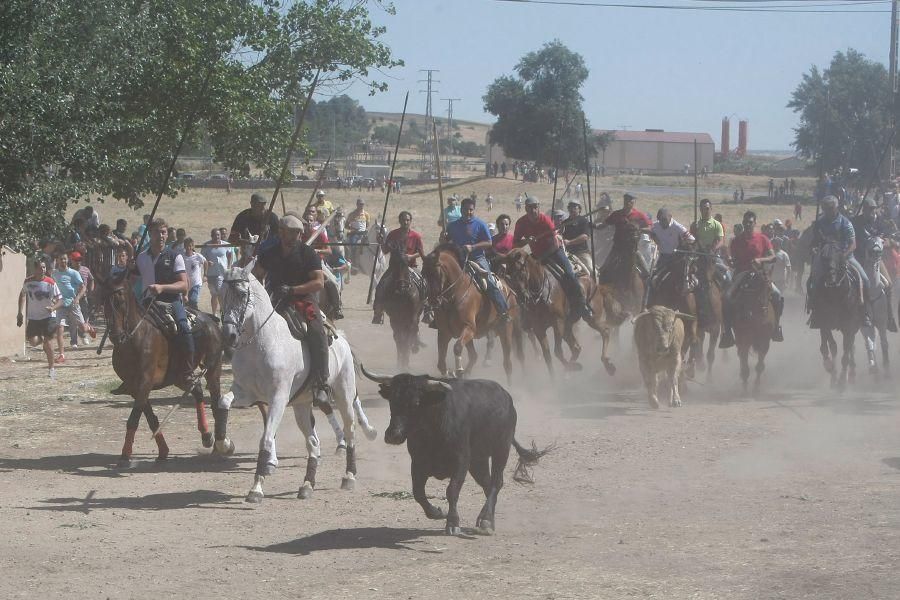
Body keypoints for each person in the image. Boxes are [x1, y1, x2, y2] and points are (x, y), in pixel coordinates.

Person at [254, 213, 330, 406]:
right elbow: (256, 276)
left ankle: (321, 384)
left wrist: (293, 290)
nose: (297, 236)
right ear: (281, 232)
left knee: (316, 331)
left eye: (298, 233)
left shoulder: (308, 254)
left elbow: (319, 282)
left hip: (303, 300)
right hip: (273, 300)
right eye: (292, 232)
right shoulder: (269, 253)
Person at [136, 218, 195, 384]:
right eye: (156, 232)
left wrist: (162, 288)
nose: (160, 236)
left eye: (163, 232)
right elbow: (132, 278)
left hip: (171, 301)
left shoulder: (175, 256)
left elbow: (184, 284)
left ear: (167, 234)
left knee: (184, 328)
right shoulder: (141, 258)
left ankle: (188, 371)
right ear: (150, 234)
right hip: (147, 302)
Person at [514, 196, 592, 321]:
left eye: (535, 207)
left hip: (554, 252)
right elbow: (516, 243)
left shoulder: (545, 220)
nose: (533, 210)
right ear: (525, 208)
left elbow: (555, 243)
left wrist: (545, 256)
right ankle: (525, 313)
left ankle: (582, 305)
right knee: (522, 277)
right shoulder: (521, 223)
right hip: (537, 255)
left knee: (569, 274)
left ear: (538, 207)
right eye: (530, 208)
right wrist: (526, 241)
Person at [719, 210, 784, 348]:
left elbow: (773, 257)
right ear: (743, 223)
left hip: (760, 274)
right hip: (742, 274)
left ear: (755, 223)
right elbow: (734, 261)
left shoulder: (763, 239)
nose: (748, 224)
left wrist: (761, 260)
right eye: (746, 222)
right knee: (726, 297)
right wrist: (729, 261)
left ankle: (776, 327)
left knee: (778, 296)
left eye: (750, 222)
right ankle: (728, 333)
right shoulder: (736, 241)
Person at [808, 195, 869, 327]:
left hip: (846, 257)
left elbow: (853, 244)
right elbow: (814, 242)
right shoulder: (819, 223)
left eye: (830, 208)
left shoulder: (845, 223)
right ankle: (814, 310)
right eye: (825, 208)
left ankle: (865, 313)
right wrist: (813, 249)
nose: (828, 211)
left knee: (864, 279)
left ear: (836, 207)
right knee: (812, 280)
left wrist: (843, 255)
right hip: (825, 258)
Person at [446, 197, 510, 320]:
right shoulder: (453, 226)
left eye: (471, 210)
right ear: (461, 210)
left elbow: (489, 242)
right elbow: (447, 241)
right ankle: (435, 315)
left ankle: (503, 311)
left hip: (477, 259)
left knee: (490, 282)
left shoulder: (480, 224)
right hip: (458, 260)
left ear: (474, 209)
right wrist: (443, 238)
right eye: (465, 210)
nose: (468, 212)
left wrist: (473, 247)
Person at [852, 198, 898, 331]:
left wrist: (883, 241)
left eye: (873, 209)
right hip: (859, 258)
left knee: (888, 285)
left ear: (876, 209)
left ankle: (889, 316)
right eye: (868, 209)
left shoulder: (882, 223)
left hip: (876, 260)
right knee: (850, 283)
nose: (870, 212)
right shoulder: (856, 222)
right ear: (864, 210)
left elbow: (890, 240)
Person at [372, 211, 426, 325]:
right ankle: (378, 312)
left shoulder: (416, 236)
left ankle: (428, 310)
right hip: (394, 268)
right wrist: (381, 242)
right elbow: (386, 250)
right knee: (381, 285)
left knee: (424, 284)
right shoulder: (393, 234)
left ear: (410, 221)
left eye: (407, 220)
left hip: (411, 267)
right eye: (403, 220)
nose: (405, 222)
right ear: (400, 221)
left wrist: (411, 256)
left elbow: (421, 253)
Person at [18, 258, 64, 377]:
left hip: (48, 317)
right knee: (32, 342)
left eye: (44, 267)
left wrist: (53, 308)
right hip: (33, 317)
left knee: (49, 343)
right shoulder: (28, 281)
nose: (42, 270)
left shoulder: (50, 282)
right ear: (35, 269)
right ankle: (44, 341)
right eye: (40, 267)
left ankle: (51, 369)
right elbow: (22, 295)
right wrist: (20, 312)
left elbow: (60, 300)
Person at [52, 253, 95, 358]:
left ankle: (89, 328)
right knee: (59, 328)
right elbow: (52, 287)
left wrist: (77, 298)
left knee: (82, 328)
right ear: (57, 260)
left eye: (65, 259)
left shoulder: (74, 273)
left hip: (73, 303)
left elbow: (83, 287)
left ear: (68, 260)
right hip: (61, 304)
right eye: (61, 259)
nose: (63, 261)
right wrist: (53, 299)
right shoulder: (54, 273)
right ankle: (61, 355)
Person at [229, 193, 280, 257]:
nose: (261, 207)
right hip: (247, 254)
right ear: (252, 204)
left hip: (268, 254)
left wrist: (265, 243)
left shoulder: (272, 217)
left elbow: (279, 238)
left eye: (263, 205)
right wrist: (248, 243)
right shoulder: (242, 217)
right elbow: (232, 239)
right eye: (258, 205)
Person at [691, 198, 728, 284]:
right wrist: (693, 231)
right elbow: (692, 240)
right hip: (698, 256)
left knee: (728, 277)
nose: (705, 211)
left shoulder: (717, 224)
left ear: (711, 209)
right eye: (703, 209)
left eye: (707, 208)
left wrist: (713, 249)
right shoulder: (695, 225)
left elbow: (721, 241)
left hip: (713, 256)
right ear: (700, 210)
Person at [201, 228, 232, 314]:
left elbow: (230, 255)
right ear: (211, 236)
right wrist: (207, 262)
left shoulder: (225, 245)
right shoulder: (206, 246)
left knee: (219, 292)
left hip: (221, 274)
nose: (217, 237)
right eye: (215, 235)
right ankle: (214, 313)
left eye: (218, 235)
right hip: (211, 274)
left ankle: (223, 311)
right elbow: (202, 259)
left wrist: (229, 266)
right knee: (214, 294)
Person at [69, 251, 94, 346]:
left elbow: (92, 279)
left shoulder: (85, 270)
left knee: (85, 318)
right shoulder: (69, 271)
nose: (78, 262)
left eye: (79, 260)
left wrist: (91, 291)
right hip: (73, 298)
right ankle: (74, 341)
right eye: (76, 260)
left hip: (84, 298)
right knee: (73, 320)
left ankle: (83, 334)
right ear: (71, 261)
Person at [560, 199, 593, 272]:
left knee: (592, 270)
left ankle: (597, 282)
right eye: (570, 207)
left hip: (582, 253)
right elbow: (560, 236)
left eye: (575, 207)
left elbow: (585, 236)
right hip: (568, 254)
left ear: (579, 209)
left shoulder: (583, 221)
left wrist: (569, 242)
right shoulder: (565, 223)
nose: (572, 209)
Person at [346, 198, 370, 274]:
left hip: (363, 234)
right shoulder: (352, 214)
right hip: (354, 234)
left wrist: (365, 230)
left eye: (362, 204)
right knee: (353, 247)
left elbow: (367, 225)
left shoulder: (366, 214)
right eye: (360, 204)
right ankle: (354, 265)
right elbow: (346, 225)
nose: (361, 206)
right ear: (357, 205)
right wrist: (353, 228)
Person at [182, 238, 207, 309]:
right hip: (185, 284)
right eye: (186, 246)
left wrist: (205, 275)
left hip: (196, 283)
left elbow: (205, 262)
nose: (188, 248)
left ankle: (196, 315)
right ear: (184, 246)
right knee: (185, 303)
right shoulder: (182, 257)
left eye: (190, 246)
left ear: (193, 246)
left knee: (193, 301)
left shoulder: (198, 256)